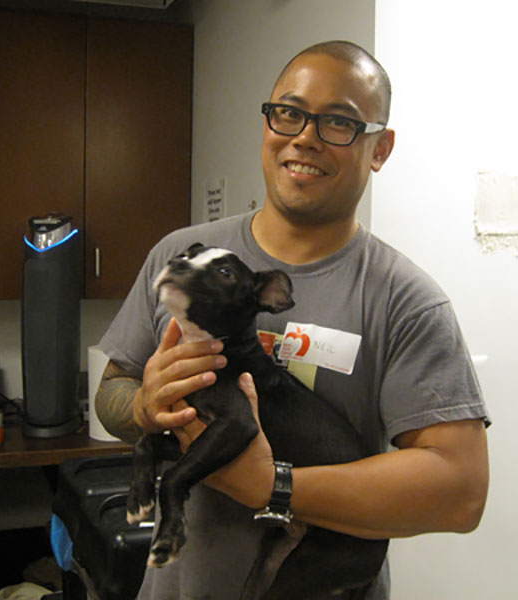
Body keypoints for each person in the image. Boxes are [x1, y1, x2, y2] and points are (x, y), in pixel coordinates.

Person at [96, 40, 490, 599]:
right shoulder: (181, 257)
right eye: (290, 112)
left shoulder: (405, 300)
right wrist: (141, 406)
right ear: (268, 123)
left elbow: (460, 493)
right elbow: (112, 394)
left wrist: (272, 485)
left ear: (381, 149)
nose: (304, 136)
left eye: (339, 122)